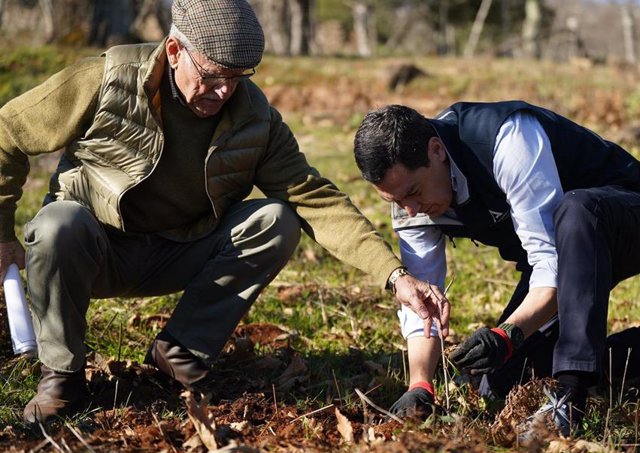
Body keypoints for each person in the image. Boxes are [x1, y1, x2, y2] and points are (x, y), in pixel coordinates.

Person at [0, 0, 448, 424]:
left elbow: (314, 198)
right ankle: (61, 376)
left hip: (180, 251)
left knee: (276, 220)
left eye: (237, 77)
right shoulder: (108, 78)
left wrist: (394, 276)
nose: (224, 90)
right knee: (58, 224)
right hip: (93, 250)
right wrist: (3, 235)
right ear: (174, 51)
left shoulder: (254, 118)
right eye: (213, 75)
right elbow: (8, 132)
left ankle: (180, 355)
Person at [353, 102, 640, 435]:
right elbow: (421, 301)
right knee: (501, 381)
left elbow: (551, 263)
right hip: (561, 255)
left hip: (631, 219)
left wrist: (508, 334)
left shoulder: (507, 140)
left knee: (577, 209)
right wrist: (421, 384)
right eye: (396, 201)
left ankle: (570, 397)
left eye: (413, 192)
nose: (411, 210)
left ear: (436, 150)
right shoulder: (410, 199)